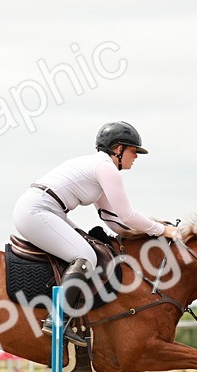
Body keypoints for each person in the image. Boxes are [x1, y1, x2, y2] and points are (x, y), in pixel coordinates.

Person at [13, 120, 182, 344]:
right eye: (133, 150)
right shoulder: (106, 169)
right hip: (37, 210)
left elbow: (112, 219)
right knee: (86, 256)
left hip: (48, 209)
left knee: (91, 247)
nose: (136, 156)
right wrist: (163, 229)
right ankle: (57, 319)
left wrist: (152, 233)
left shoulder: (101, 168)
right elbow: (128, 215)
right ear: (118, 149)